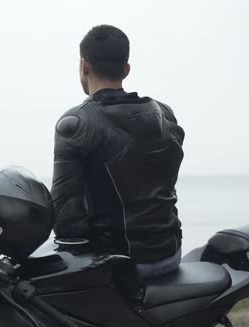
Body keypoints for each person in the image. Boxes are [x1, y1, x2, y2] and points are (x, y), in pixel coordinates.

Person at [50, 25, 185, 279]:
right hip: (170, 254)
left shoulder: (75, 124)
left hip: (119, 266)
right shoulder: (164, 114)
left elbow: (66, 221)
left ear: (85, 66)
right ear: (126, 69)